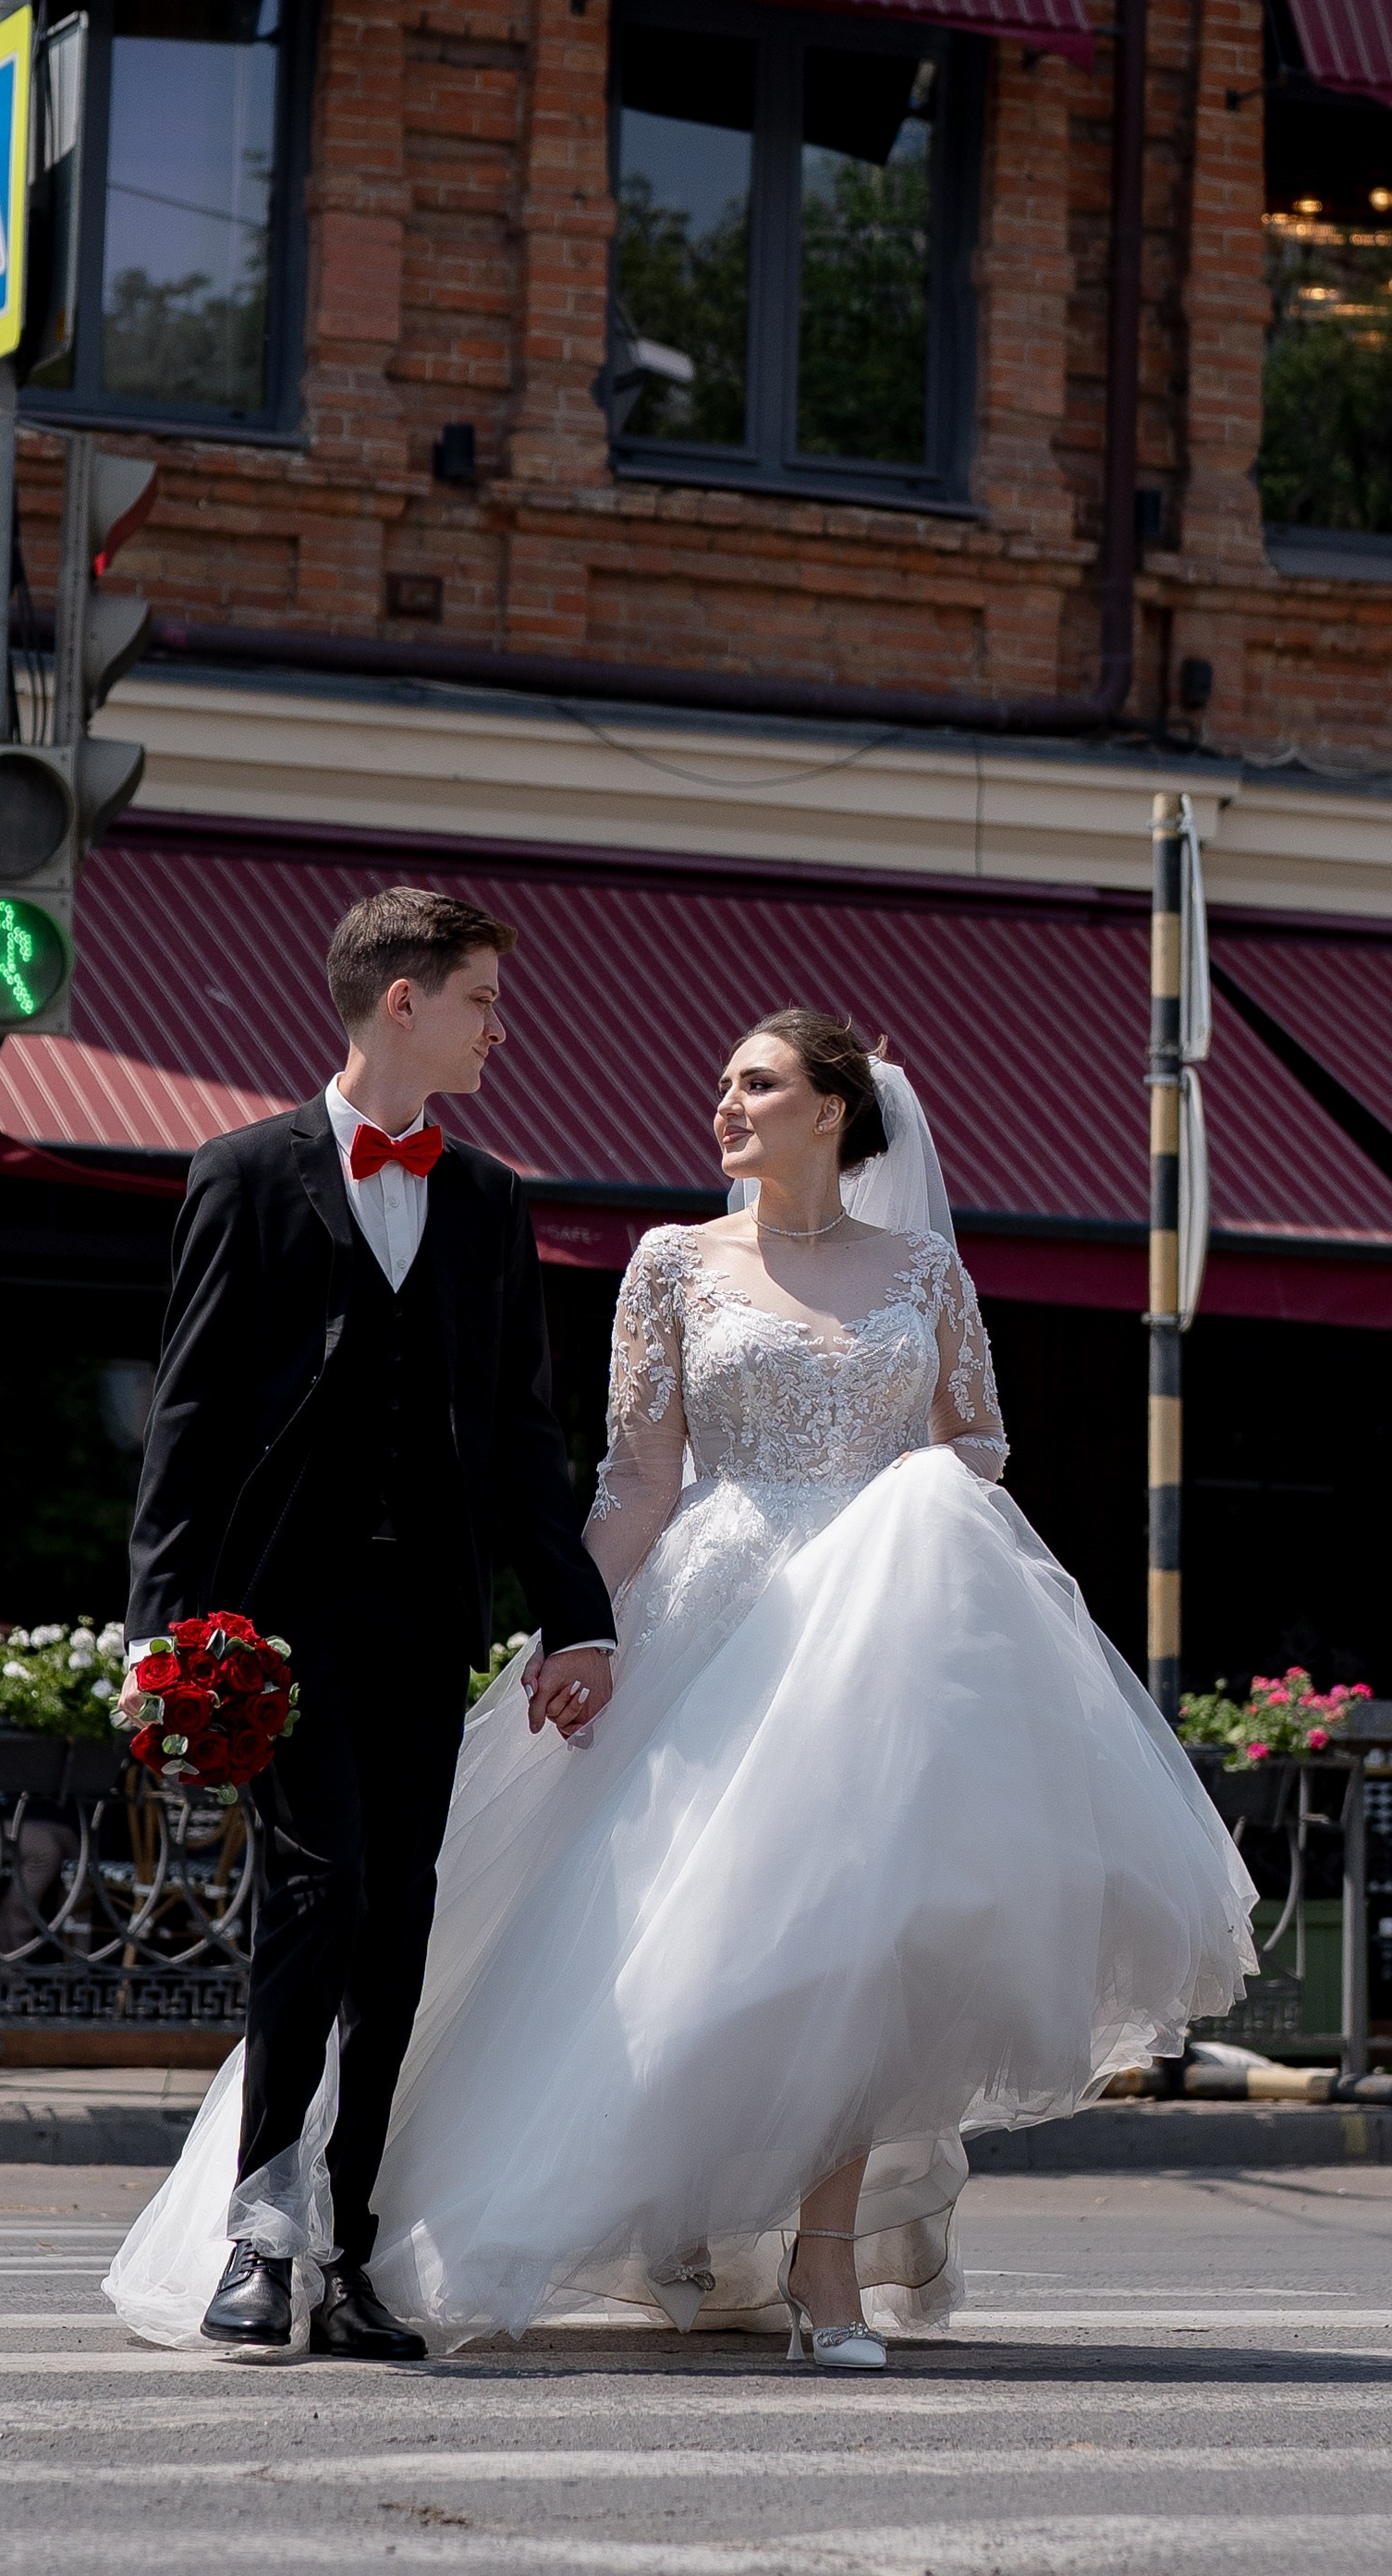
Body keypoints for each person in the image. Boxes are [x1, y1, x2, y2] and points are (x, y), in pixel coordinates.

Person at [106, 1011, 1255, 2367]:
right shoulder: (670, 1262)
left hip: (881, 1632)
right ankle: (661, 2221)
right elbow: (634, 1476)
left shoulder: (925, 1268)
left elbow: (975, 1445)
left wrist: (907, 1518)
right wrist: (573, 1623)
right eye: (721, 1078)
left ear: (833, 1108)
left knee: (866, 1935)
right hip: (714, 1611)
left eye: (756, 1081)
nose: (723, 1100)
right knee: (677, 1930)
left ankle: (825, 2261)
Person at [115, 887, 619, 2362]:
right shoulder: (243, 1175)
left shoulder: (487, 1199)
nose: (498, 1026)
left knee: (394, 1915)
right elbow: (188, 1428)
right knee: (320, 1887)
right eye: (478, 998)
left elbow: (526, 1439)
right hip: (275, 1621)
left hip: (424, 1619)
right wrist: (161, 1635)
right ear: (401, 999)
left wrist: (572, 1621)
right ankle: (258, 2239)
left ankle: (349, 2246)